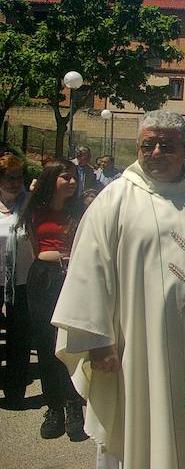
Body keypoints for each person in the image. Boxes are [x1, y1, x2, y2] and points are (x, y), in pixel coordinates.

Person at [51, 110, 185, 468]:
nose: (156, 153)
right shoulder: (114, 200)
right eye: (148, 145)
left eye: (167, 145)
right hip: (138, 349)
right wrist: (98, 342)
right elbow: (89, 273)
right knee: (142, 431)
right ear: (138, 147)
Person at [18, 158, 87, 441]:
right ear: (51, 179)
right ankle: (54, 407)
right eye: (65, 177)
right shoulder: (35, 209)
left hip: (72, 279)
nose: (71, 182)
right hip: (43, 278)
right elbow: (35, 246)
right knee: (46, 344)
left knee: (69, 344)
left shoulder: (81, 211)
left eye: (73, 177)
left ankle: (74, 408)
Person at [0, 152, 33, 409]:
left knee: (18, 338)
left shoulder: (31, 204)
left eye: (18, 177)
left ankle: (15, 391)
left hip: (22, 282)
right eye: (8, 177)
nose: (13, 182)